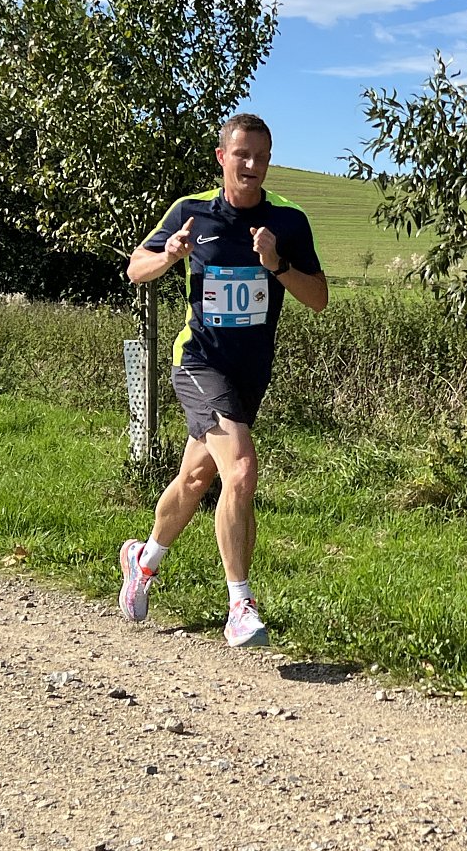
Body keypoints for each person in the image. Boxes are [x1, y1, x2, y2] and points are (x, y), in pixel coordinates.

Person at [119, 112, 328, 647]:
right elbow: (136, 269)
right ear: (222, 158)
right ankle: (240, 605)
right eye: (242, 154)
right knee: (241, 470)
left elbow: (318, 299)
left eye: (261, 156)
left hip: (249, 373)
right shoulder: (191, 212)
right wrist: (169, 255)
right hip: (199, 363)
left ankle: (143, 560)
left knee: (195, 479)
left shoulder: (288, 221)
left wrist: (276, 264)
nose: (252, 164)